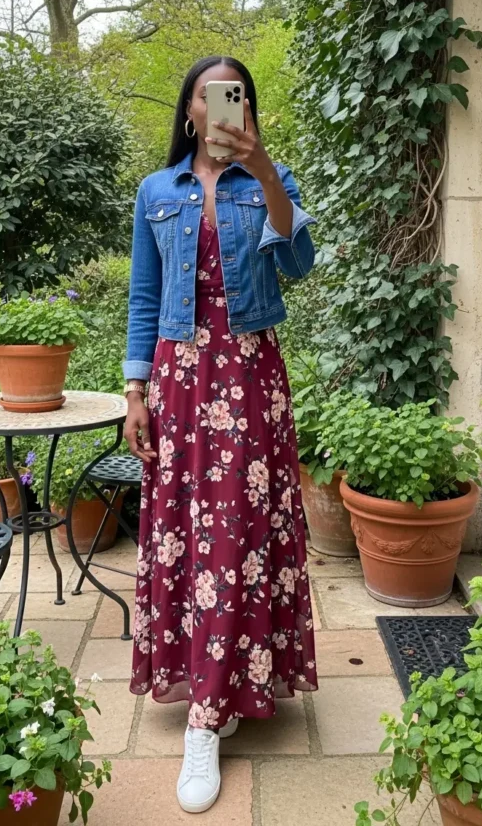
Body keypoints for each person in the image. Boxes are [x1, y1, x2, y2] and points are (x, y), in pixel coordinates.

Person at [123, 55, 318, 814]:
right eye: (210, 95)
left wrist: (265, 168)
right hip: (178, 380)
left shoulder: (269, 180)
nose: (221, 106)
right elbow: (143, 294)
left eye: (234, 94)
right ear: (191, 111)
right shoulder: (156, 192)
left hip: (249, 380)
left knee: (240, 536)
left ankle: (214, 706)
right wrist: (134, 391)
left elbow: (298, 263)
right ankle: (204, 705)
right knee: (185, 537)